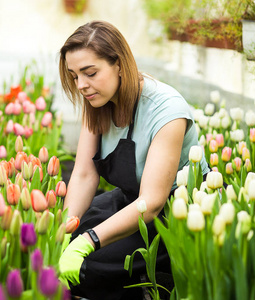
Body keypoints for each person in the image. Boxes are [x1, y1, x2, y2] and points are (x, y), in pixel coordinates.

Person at [58, 20, 209, 300]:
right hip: (130, 200)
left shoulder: (167, 110)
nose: (81, 85)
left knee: (90, 264)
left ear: (119, 64)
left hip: (172, 215)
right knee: (57, 237)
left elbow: (151, 202)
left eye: (89, 73)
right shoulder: (98, 103)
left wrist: (87, 243)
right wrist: (66, 232)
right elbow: (83, 175)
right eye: (74, 75)